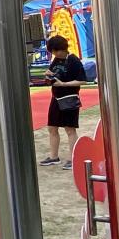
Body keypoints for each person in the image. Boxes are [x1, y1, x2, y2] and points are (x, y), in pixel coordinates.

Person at [42, 34, 86, 170]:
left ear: (62, 49)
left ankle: (73, 159)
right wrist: (48, 75)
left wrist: (64, 84)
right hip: (56, 98)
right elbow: (52, 74)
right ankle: (54, 157)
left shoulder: (73, 60)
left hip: (69, 99)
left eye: (55, 51)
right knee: (52, 127)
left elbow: (82, 80)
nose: (54, 54)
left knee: (70, 129)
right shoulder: (56, 60)